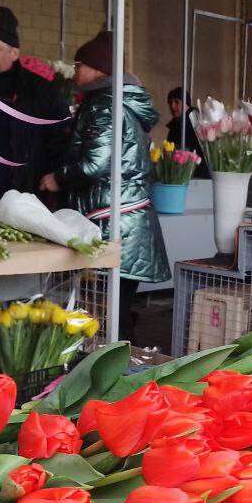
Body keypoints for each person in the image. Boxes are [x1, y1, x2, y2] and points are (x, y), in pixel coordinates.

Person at [40, 31, 171, 342]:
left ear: (99, 70)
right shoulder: (119, 102)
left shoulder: (106, 106)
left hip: (116, 222)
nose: (76, 72)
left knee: (110, 312)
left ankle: (116, 373)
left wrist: (57, 178)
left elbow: (95, 163)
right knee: (116, 308)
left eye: (80, 64)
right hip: (126, 218)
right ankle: (119, 368)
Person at [0, 7, 70, 199]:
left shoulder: (40, 91)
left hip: (24, 195)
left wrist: (57, 177)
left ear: (14, 52)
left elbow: (60, 141)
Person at [164, 87, 207, 179]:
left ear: (186, 104)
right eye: (170, 103)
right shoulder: (175, 125)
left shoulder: (196, 123)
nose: (172, 106)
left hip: (198, 176)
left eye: (176, 102)